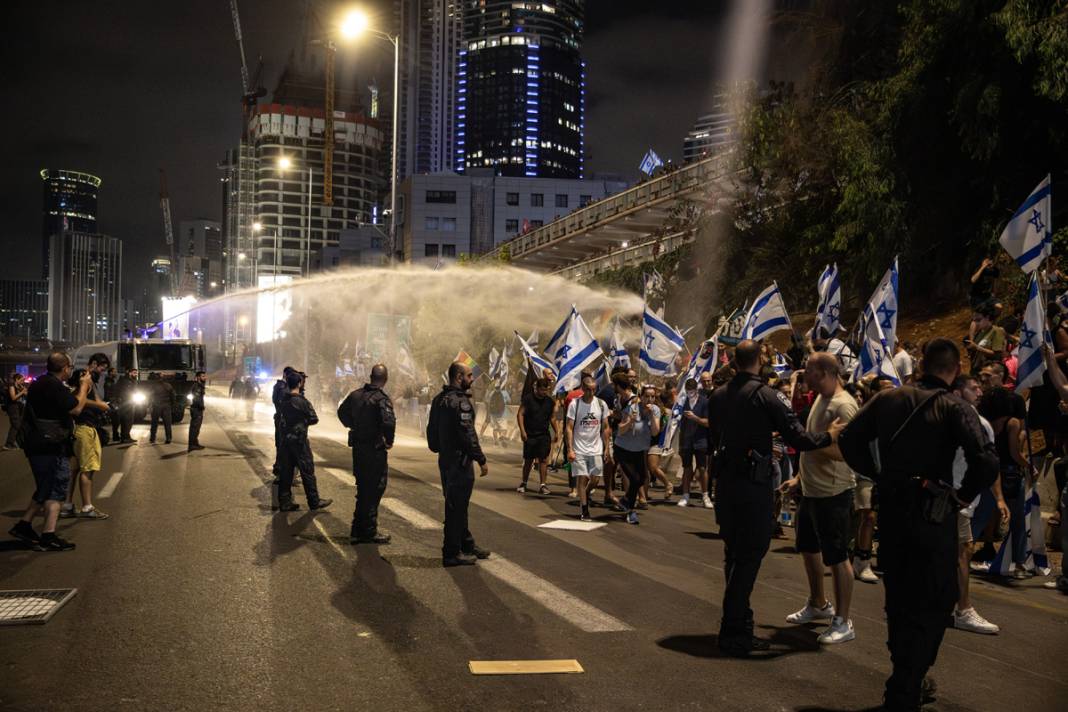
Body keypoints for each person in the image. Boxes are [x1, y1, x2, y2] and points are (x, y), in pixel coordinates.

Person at [838, 338, 998, 711]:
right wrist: (963, 495)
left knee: (901, 597)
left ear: (922, 364)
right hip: (932, 514)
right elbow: (985, 461)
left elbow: (849, 439)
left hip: (894, 513)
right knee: (935, 599)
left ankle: (907, 675)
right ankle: (906, 684)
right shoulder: (954, 407)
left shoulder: (887, 400)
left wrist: (879, 474)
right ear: (955, 370)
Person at [708, 340, 844, 658]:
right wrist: (830, 436)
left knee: (734, 557)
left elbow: (718, 437)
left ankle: (740, 626)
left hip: (725, 487)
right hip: (752, 488)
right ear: (760, 359)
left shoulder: (717, 396)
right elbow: (797, 436)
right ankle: (733, 633)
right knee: (749, 559)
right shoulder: (767, 395)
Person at [780, 352, 860, 645]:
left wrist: (814, 443)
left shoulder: (844, 406)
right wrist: (798, 478)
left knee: (837, 558)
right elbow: (815, 440)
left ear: (825, 372)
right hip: (811, 491)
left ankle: (843, 620)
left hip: (833, 493)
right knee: (808, 549)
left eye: (809, 371)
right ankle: (818, 603)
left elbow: (848, 454)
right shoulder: (820, 398)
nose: (804, 375)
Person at [8, 352, 92, 551]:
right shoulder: (53, 385)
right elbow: (76, 409)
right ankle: (49, 535)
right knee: (55, 488)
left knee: (45, 486)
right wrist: (84, 387)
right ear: (65, 368)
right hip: (49, 445)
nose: (70, 371)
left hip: (37, 443)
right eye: (69, 367)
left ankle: (24, 525)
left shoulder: (41, 383)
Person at [949, 374, 1002, 634]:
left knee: (956, 551)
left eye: (980, 387)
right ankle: (963, 609)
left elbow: (992, 463)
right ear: (958, 393)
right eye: (973, 388)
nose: (980, 392)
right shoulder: (964, 421)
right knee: (963, 551)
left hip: (960, 499)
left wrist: (999, 497)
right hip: (956, 499)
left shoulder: (980, 423)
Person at [427, 361, 491, 567]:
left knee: (458, 504)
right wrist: (481, 459)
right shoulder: (460, 402)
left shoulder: (439, 400)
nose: (472, 380)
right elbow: (468, 434)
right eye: (469, 376)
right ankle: (451, 553)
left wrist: (440, 449)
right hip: (459, 463)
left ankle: (466, 544)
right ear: (458, 377)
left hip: (446, 460)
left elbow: (431, 433)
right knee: (456, 507)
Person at [337, 364, 395, 544]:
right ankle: (368, 530)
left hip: (359, 449)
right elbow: (389, 422)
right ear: (385, 380)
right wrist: (389, 440)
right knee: (375, 488)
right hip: (374, 451)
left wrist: (353, 425)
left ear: (370, 377)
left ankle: (357, 528)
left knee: (363, 488)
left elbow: (341, 412)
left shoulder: (355, 395)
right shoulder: (381, 398)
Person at [60, 356, 113, 521]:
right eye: (102, 368)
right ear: (94, 365)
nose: (103, 372)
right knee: (88, 469)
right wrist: (102, 406)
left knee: (73, 469)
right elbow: (78, 400)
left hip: (74, 429)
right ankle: (87, 507)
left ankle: (67, 506)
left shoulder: (81, 377)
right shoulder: (86, 378)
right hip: (85, 428)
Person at [277, 371, 331, 512]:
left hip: (286, 440)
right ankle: (314, 501)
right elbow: (314, 418)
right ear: (299, 383)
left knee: (286, 472)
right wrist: (302, 422)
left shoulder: (284, 400)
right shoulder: (303, 401)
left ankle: (284, 502)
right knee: (307, 471)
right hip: (300, 442)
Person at [612, 379, 659, 524]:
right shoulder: (632, 408)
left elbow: (655, 432)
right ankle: (630, 510)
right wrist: (630, 421)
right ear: (641, 396)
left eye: (652, 396)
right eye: (647, 396)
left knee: (642, 478)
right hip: (623, 449)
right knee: (635, 478)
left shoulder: (655, 410)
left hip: (639, 450)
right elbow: (620, 430)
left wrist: (651, 415)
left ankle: (626, 501)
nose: (650, 399)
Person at [566, 374, 612, 521]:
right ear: (582, 389)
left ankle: (584, 493)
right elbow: (569, 427)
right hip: (579, 448)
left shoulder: (601, 404)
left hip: (596, 448)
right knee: (582, 478)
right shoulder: (575, 404)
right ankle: (584, 509)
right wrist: (570, 449)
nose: (591, 393)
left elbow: (605, 427)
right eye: (588, 390)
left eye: (593, 390)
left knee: (596, 479)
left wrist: (606, 448)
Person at [516, 377, 558, 494]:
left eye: (546, 390)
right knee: (528, 460)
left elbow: (552, 418)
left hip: (544, 435)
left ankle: (543, 485)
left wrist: (557, 431)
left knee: (543, 460)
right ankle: (524, 483)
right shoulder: (528, 399)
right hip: (530, 435)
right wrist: (523, 431)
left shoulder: (550, 402)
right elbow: (520, 414)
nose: (544, 392)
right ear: (537, 388)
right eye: (542, 390)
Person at [677, 378, 712, 508]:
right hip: (686, 440)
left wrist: (695, 418)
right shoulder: (682, 402)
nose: (690, 394)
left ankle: (705, 496)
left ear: (697, 390)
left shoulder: (704, 402)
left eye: (692, 391)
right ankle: (685, 495)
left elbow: (708, 422)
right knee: (686, 467)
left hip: (700, 440)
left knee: (702, 468)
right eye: (688, 391)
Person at [271, 367, 297, 476]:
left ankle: (280, 468)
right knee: (283, 444)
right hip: (284, 419)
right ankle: (281, 470)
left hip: (281, 418)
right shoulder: (283, 388)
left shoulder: (280, 386)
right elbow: (283, 403)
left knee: (281, 444)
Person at [965, 307, 1005, 374]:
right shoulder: (981, 331)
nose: (976, 323)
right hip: (976, 369)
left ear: (987, 317)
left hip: (988, 372)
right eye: (974, 320)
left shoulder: (997, 331)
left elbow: (997, 355)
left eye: (978, 320)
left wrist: (977, 347)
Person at [111, 367, 140, 443]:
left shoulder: (133, 381)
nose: (136, 374)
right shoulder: (124, 380)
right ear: (129, 373)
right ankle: (125, 437)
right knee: (127, 420)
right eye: (134, 373)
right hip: (125, 402)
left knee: (128, 420)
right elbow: (119, 391)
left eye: (136, 373)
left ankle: (125, 436)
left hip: (130, 402)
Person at [148, 372, 175, 445]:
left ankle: (152, 438)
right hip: (166, 406)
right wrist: (172, 405)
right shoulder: (168, 386)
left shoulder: (153, 386)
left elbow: (150, 396)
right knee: (167, 423)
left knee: (154, 423)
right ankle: (168, 438)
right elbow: (173, 396)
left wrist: (149, 405)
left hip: (156, 406)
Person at [4, 373, 28, 450]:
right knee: (16, 425)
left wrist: (24, 391)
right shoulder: (11, 386)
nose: (23, 382)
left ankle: (14, 442)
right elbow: (13, 398)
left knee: (17, 425)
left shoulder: (19, 386)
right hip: (12, 407)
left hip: (19, 408)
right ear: (16, 379)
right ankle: (8, 444)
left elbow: (26, 394)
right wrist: (22, 392)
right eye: (21, 380)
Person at [187, 370, 207, 452]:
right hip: (196, 409)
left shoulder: (199, 385)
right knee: (195, 427)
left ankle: (195, 443)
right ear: (198, 377)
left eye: (205, 376)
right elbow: (197, 398)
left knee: (196, 427)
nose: (205, 378)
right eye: (203, 376)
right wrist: (201, 406)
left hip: (196, 409)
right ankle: (192, 445)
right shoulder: (197, 386)